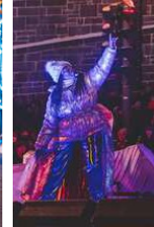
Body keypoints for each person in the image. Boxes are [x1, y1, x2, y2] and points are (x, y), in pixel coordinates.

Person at [20, 36, 118, 201]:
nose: (70, 73)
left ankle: (98, 198)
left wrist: (110, 50)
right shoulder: (55, 99)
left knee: (93, 164)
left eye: (70, 70)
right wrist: (40, 145)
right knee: (57, 167)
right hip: (66, 135)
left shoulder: (87, 82)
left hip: (91, 131)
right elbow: (49, 123)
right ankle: (47, 201)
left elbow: (101, 69)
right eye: (65, 72)